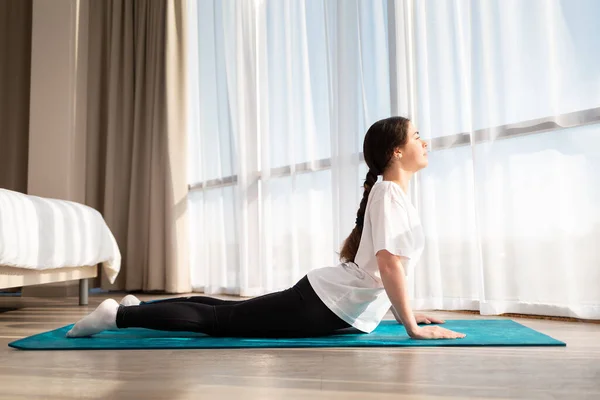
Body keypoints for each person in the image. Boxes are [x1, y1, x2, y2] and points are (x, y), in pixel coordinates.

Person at [67, 117, 466, 340]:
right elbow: (389, 265)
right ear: (397, 151)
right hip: (326, 305)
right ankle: (116, 318)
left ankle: (140, 309)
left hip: (328, 298)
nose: (424, 141)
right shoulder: (390, 195)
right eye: (417, 136)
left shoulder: (390, 194)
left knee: (229, 309)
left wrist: (407, 314)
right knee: (220, 323)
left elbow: (383, 270)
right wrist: (411, 326)